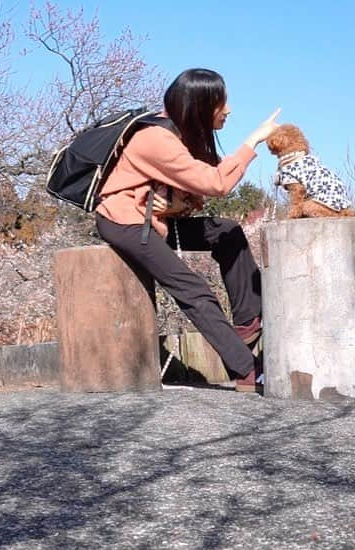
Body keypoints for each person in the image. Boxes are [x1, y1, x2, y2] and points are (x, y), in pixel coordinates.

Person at [95, 68, 280, 392]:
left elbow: (199, 184)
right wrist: (254, 140)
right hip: (125, 222)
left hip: (155, 220)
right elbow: (218, 182)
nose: (229, 110)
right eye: (222, 103)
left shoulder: (179, 133)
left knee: (228, 232)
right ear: (199, 106)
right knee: (192, 289)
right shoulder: (156, 138)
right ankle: (247, 371)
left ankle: (247, 323)